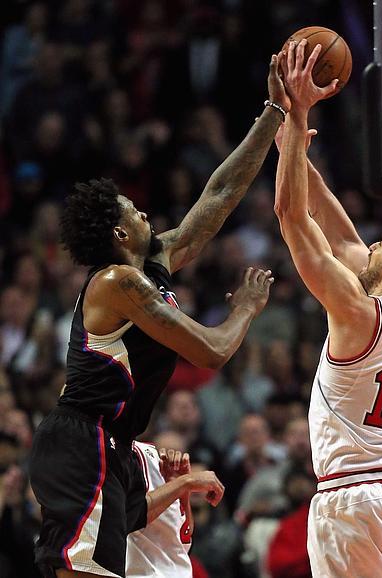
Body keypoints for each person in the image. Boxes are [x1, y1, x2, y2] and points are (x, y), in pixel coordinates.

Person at [29, 52, 290, 578]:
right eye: (134, 211)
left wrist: (274, 112)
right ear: (121, 235)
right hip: (85, 438)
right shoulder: (117, 281)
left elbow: (217, 196)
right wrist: (243, 311)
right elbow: (212, 350)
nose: (146, 213)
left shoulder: (149, 265)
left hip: (114, 443)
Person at [274, 40, 382, 578]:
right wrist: (296, 149)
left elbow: (292, 216)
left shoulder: (355, 313)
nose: (371, 246)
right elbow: (344, 236)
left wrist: (296, 113)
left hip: (355, 498)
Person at [126, 443, 206, 578]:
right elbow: (130, 516)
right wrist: (185, 482)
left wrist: (182, 495)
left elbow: (182, 539)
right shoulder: (115, 452)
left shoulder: (149, 454)